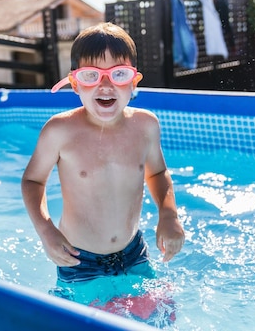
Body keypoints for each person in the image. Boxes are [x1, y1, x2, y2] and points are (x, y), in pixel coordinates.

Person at [21, 22, 184, 285]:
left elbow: (158, 172)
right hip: (78, 260)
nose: (105, 85)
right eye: (91, 76)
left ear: (133, 82)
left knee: (160, 320)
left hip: (134, 253)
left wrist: (169, 215)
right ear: (75, 84)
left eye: (118, 74)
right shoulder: (59, 131)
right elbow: (32, 181)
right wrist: (46, 231)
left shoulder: (146, 126)